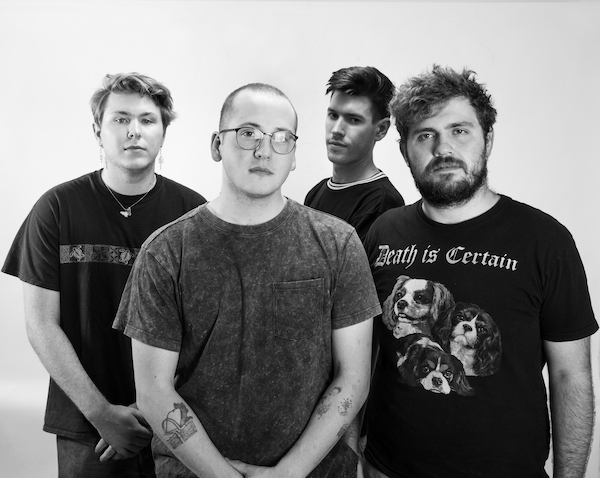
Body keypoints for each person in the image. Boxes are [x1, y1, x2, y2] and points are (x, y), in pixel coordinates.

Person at [113, 83, 380, 478]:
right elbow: (154, 392)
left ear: (294, 154)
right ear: (216, 145)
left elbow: (353, 378)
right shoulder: (165, 252)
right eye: (248, 133)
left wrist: (287, 474)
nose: (264, 150)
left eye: (281, 137)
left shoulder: (339, 244)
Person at [361, 65, 597, 478]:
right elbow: (363, 356)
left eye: (459, 130)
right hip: (388, 468)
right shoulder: (383, 231)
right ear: (404, 150)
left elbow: (570, 375)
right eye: (425, 135)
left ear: (487, 138)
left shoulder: (544, 240)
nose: (443, 149)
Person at [2, 72, 206, 477]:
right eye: (120, 119)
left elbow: (203, 329)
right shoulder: (56, 208)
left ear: (163, 132)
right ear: (98, 130)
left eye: (147, 120)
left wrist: (156, 407)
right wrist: (101, 413)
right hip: (87, 425)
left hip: (176, 421)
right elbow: (41, 324)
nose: (134, 131)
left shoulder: (193, 214)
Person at [304, 66, 405, 242]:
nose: (336, 130)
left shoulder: (382, 203)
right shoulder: (316, 192)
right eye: (333, 115)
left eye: (354, 120)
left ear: (381, 129)